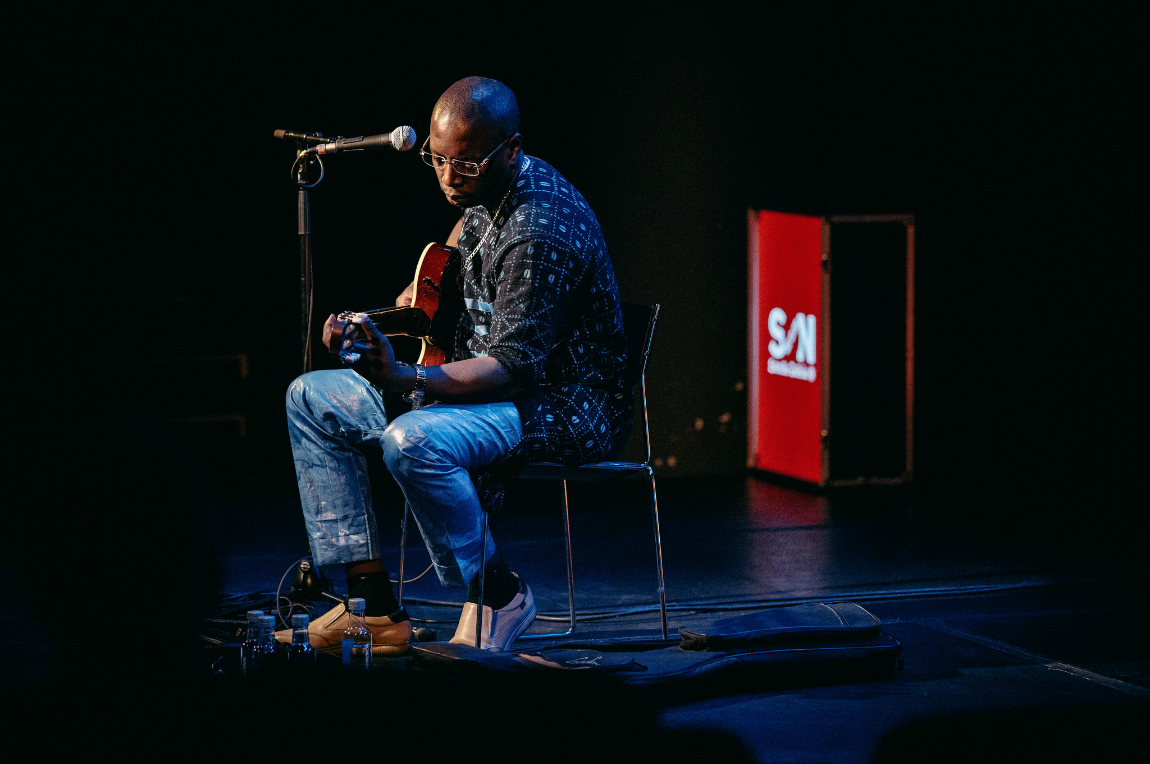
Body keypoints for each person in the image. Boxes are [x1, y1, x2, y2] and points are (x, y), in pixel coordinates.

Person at [283, 76, 631, 654]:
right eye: (438, 159)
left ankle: (497, 594)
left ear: (511, 150)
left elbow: (514, 368)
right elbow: (425, 299)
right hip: (477, 380)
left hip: (562, 402)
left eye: (465, 164)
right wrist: (365, 324)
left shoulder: (539, 227)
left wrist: (404, 377)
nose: (447, 176)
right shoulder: (479, 199)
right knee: (310, 398)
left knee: (412, 440)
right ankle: (371, 604)